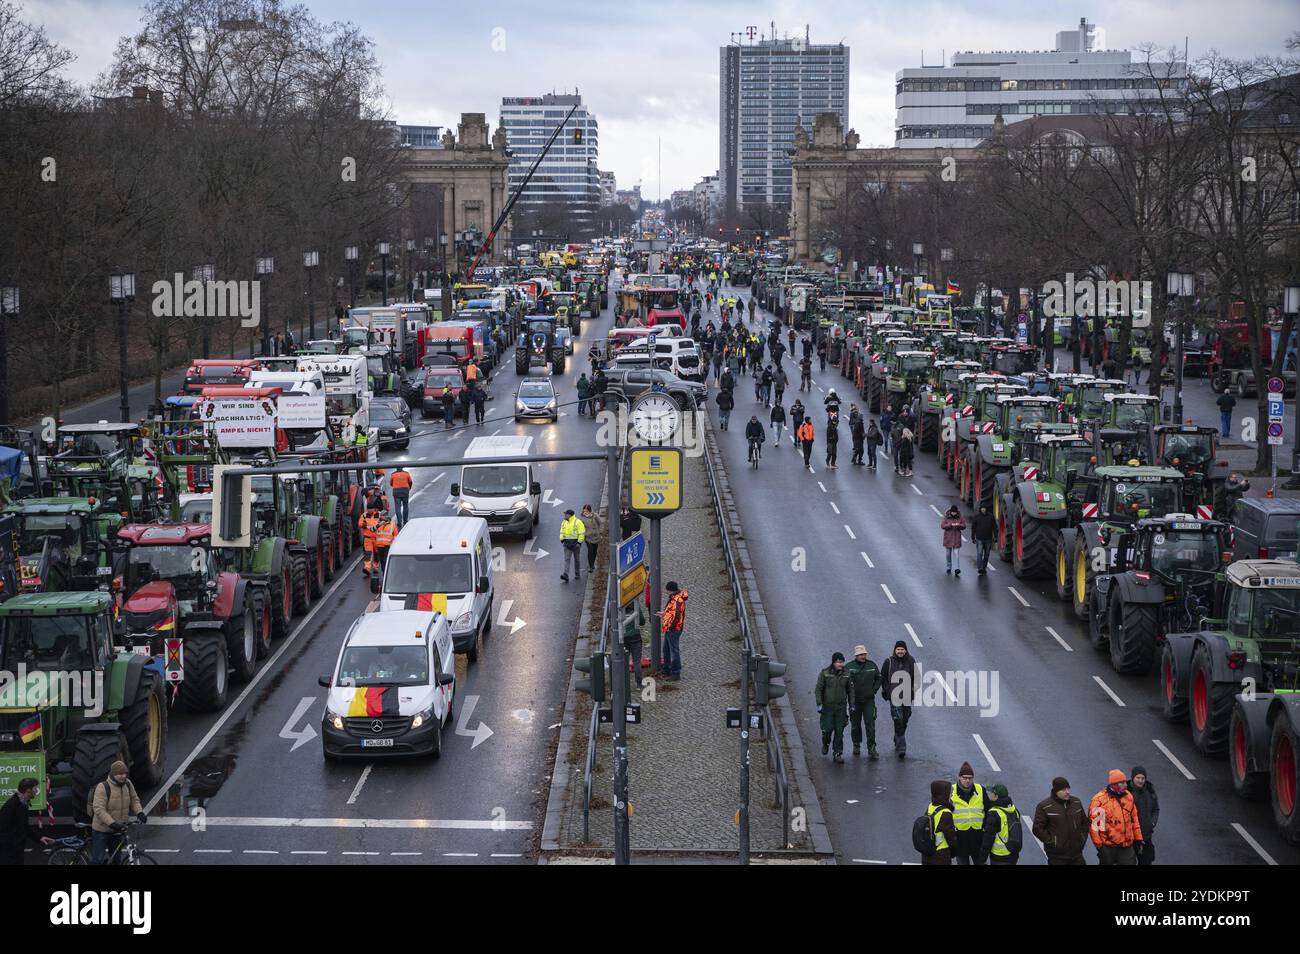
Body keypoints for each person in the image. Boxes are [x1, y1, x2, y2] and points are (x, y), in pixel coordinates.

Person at [90, 761, 145, 865]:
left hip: (118, 829)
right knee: (98, 860)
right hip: (102, 830)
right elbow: (99, 809)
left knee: (116, 860)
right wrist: (111, 823)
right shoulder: (103, 787)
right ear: (113, 774)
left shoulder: (128, 784)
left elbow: (134, 799)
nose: (123, 776)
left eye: (125, 773)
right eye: (120, 774)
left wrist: (139, 812)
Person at [1089, 769, 1143, 865]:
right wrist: (1100, 847)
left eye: (1125, 782)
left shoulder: (1128, 797)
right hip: (1108, 847)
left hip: (1126, 847)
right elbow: (1095, 827)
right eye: (1122, 783)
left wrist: (1138, 839)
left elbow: (1134, 819)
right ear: (1114, 784)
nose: (1126, 785)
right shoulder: (1100, 801)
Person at [1032, 776, 1090, 865]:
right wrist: (1053, 842)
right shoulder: (1044, 806)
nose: (1067, 792)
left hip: (1077, 854)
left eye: (1068, 788)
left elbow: (1084, 823)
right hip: (1057, 857)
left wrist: (1081, 839)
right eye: (1063, 790)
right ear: (1056, 791)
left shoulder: (1076, 802)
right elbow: (1037, 829)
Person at [0, 777, 55, 864]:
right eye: (35, 788)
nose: (36, 791)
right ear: (28, 790)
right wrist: (11, 849)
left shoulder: (23, 803)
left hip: (16, 852)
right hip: (9, 854)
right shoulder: (12, 805)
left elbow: (24, 826)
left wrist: (40, 838)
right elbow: (2, 829)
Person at [814, 652, 854, 763]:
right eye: (838, 662)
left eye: (842, 662)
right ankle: (826, 743)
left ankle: (837, 753)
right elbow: (818, 689)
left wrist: (852, 705)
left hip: (840, 708)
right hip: (827, 708)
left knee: (839, 731)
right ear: (833, 662)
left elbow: (850, 691)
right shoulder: (825, 673)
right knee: (827, 730)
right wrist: (819, 703)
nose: (841, 664)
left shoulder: (847, 674)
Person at [880, 640, 918, 758]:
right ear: (895, 650)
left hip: (907, 695)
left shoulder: (911, 661)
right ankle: (902, 746)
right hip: (894, 696)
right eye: (898, 649)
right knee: (898, 719)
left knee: (905, 718)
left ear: (905, 650)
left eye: (902, 649)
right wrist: (888, 690)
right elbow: (883, 677)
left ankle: (898, 736)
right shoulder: (889, 662)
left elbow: (917, 677)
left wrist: (913, 689)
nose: (900, 651)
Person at [845, 644, 880, 758]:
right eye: (860, 654)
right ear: (856, 655)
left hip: (869, 701)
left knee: (870, 724)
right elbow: (844, 682)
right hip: (854, 701)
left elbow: (879, 678)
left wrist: (874, 690)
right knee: (855, 725)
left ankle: (872, 748)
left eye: (864, 654)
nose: (862, 656)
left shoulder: (872, 665)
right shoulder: (849, 667)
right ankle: (856, 745)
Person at [977, 784, 1022, 865]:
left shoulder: (995, 813)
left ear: (996, 796)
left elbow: (988, 839)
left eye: (992, 794)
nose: (990, 796)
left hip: (1000, 856)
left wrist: (982, 859)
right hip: (1013, 852)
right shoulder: (1014, 809)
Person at [950, 762, 985, 864]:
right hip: (960, 838)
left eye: (970, 778)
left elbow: (988, 809)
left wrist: (984, 827)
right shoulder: (951, 791)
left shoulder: (980, 789)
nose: (967, 780)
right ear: (959, 777)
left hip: (977, 837)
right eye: (965, 778)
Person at [657, 581, 688, 680]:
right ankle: (667, 669)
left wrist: (670, 626)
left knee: (674, 651)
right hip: (670, 628)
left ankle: (675, 672)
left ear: (670, 590)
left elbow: (676, 617)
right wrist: (664, 614)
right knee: (666, 649)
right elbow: (672, 613)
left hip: (673, 629)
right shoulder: (675, 598)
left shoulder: (677, 600)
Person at [922, 780, 958, 866]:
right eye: (950, 793)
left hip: (927, 853)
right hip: (941, 856)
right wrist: (953, 852)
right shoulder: (945, 813)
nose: (951, 795)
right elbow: (951, 837)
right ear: (944, 795)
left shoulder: (930, 807)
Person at [1129, 766, 1160, 865]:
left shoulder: (1150, 791)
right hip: (1130, 838)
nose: (1140, 781)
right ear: (1133, 778)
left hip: (1146, 836)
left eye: (1143, 778)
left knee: (1147, 861)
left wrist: (1152, 823)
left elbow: (1156, 809)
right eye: (1138, 778)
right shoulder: (1126, 793)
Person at [622, 600, 647, 689]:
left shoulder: (619, 608)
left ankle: (623, 683)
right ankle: (639, 683)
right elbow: (642, 622)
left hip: (623, 638)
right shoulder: (635, 607)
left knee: (623, 661)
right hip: (635, 638)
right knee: (636, 661)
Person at [559, 509, 586, 583]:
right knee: (567, 559)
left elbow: (582, 533)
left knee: (576, 560)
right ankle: (566, 575)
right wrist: (562, 539)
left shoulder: (578, 522)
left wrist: (579, 543)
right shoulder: (564, 522)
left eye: (566, 514)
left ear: (570, 515)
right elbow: (562, 531)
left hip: (575, 545)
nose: (565, 515)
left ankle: (577, 574)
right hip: (567, 544)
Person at [970, 503, 995, 574]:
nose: (983, 509)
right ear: (980, 509)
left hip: (988, 539)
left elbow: (994, 527)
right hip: (979, 539)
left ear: (986, 509)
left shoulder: (991, 517)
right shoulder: (977, 517)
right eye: (982, 508)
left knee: (986, 555)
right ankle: (980, 568)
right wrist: (973, 537)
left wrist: (995, 536)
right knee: (980, 553)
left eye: (984, 508)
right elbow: (973, 528)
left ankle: (984, 567)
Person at [941, 505, 966, 575]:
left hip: (956, 538)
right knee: (948, 554)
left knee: (956, 554)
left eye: (955, 512)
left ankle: (957, 568)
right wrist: (950, 525)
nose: (954, 513)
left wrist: (959, 525)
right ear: (951, 512)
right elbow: (942, 525)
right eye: (953, 512)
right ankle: (948, 567)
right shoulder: (946, 516)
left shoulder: (960, 517)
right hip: (948, 539)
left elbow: (964, 526)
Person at [580, 503, 602, 574]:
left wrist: (599, 531)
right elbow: (580, 527)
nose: (585, 512)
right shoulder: (582, 518)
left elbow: (600, 523)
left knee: (595, 551)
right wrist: (584, 534)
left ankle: (592, 563)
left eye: (586, 511)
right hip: (588, 537)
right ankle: (591, 566)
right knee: (590, 551)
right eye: (584, 511)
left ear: (589, 511)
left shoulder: (595, 515)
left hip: (596, 536)